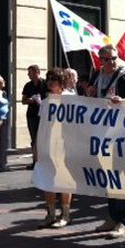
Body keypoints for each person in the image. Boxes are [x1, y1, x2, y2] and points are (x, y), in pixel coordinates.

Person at [90, 45, 125, 239]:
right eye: (107, 59)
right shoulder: (96, 76)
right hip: (102, 132)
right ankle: (112, 217)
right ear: (100, 60)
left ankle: (123, 220)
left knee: (120, 175)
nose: (112, 62)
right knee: (108, 176)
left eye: (114, 58)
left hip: (121, 132)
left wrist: (124, 100)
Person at [41, 68, 75, 228]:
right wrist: (36, 146)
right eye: (49, 79)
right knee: (47, 179)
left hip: (65, 144)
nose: (50, 82)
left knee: (64, 179)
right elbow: (42, 125)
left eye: (54, 80)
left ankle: (66, 214)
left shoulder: (71, 98)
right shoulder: (46, 101)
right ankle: (51, 213)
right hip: (48, 144)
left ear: (61, 82)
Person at [22, 65, 47, 170]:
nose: (28, 75)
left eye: (30, 72)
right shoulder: (28, 85)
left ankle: (45, 161)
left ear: (37, 72)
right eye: (28, 72)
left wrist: (41, 102)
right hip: (32, 114)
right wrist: (31, 101)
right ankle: (35, 161)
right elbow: (23, 100)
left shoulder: (45, 84)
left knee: (44, 138)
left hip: (44, 114)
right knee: (34, 138)